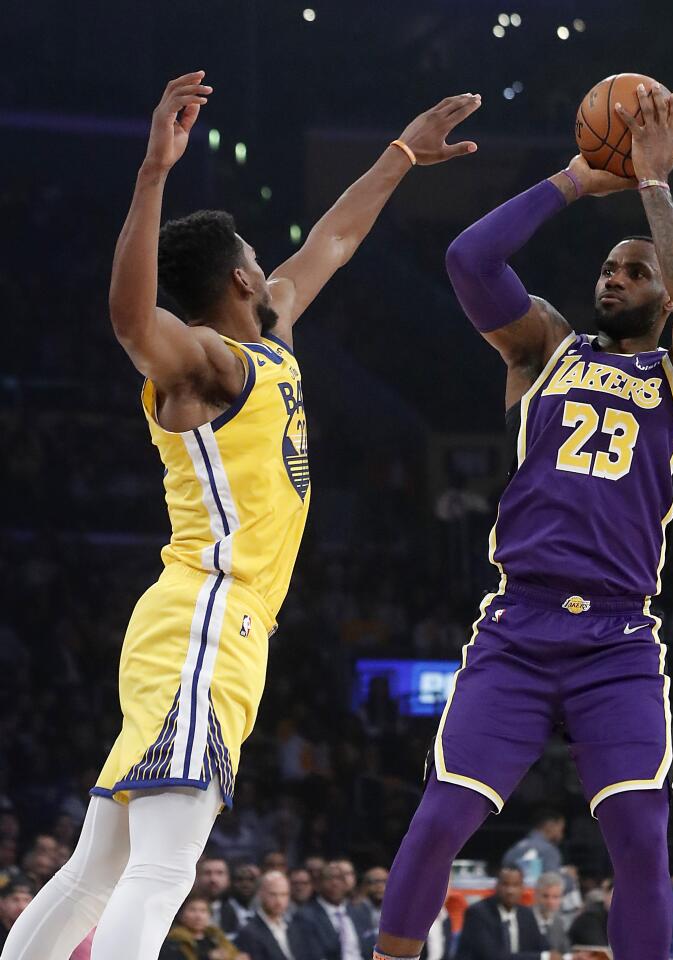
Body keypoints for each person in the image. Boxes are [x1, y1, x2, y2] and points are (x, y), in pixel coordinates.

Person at [0, 73, 481, 960]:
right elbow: (127, 320)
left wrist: (403, 155)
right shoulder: (208, 366)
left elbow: (334, 239)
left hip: (216, 626)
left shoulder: (271, 337)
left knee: (99, 866)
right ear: (237, 276)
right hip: (206, 615)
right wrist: (153, 172)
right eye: (261, 255)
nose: (275, 264)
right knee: (162, 867)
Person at [374, 82, 673, 960]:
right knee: (440, 818)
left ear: (663, 292)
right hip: (518, 624)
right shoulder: (545, 346)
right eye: (607, 269)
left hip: (619, 639)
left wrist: (655, 187)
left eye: (633, 271)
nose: (612, 278)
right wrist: (574, 183)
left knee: (641, 837)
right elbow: (470, 260)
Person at [455, 867, 549, 960]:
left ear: (522, 888)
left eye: (515, 885)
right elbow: (492, 956)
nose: (510, 891)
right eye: (505, 884)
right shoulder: (477, 913)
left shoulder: (526, 914)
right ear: (496, 886)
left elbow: (542, 946)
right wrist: (542, 957)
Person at [298, 862, 377, 960]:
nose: (335, 883)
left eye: (339, 878)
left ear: (345, 883)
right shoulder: (306, 916)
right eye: (329, 878)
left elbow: (372, 948)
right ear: (318, 884)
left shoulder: (360, 912)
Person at [236, 871, 318, 960]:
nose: (279, 901)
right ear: (260, 894)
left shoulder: (295, 928)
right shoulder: (249, 933)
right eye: (273, 894)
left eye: (284, 895)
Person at [160, 892, 241, 960]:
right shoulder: (173, 942)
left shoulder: (217, 938)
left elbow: (233, 953)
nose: (198, 916)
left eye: (203, 911)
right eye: (192, 910)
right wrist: (208, 958)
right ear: (180, 914)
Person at [502, 812, 566, 879]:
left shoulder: (516, 847)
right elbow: (553, 882)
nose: (562, 834)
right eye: (561, 829)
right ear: (549, 826)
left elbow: (504, 870)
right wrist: (569, 877)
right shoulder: (549, 850)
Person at [195, 856, 238, 935]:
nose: (213, 879)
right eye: (207, 873)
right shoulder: (181, 908)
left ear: (228, 879)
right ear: (197, 877)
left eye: (219, 873)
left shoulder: (234, 910)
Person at [532, 875, 570, 955]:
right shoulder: (524, 918)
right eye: (545, 896)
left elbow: (566, 952)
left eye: (555, 897)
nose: (550, 902)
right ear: (536, 895)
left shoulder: (559, 922)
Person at [0, 880, 33, 951]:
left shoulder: (33, 933)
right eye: (15, 900)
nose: (21, 906)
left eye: (26, 900)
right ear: (2, 903)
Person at [227, 863, 261, 929]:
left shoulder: (262, 909)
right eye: (240, 880)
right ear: (231, 883)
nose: (246, 885)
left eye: (251, 880)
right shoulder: (223, 910)